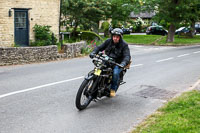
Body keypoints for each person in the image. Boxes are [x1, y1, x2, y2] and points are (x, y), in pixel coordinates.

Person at [89, 28, 131, 97]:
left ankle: (113, 89)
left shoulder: (124, 45)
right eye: (114, 36)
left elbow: (127, 56)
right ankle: (93, 84)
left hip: (117, 63)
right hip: (107, 60)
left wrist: (123, 63)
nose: (115, 38)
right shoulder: (108, 41)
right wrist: (93, 52)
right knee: (98, 69)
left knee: (115, 73)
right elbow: (99, 47)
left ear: (120, 37)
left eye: (117, 37)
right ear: (112, 36)